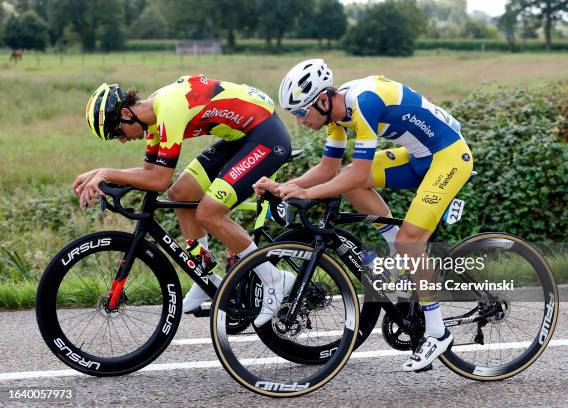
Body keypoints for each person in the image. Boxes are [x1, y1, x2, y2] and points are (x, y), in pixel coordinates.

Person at [255, 59, 473, 371]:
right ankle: (399, 251)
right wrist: (285, 186)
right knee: (350, 182)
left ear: (322, 100)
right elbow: (329, 169)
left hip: (448, 156)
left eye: (302, 112)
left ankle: (437, 333)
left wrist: (307, 193)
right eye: (295, 114)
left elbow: (358, 175)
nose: (300, 120)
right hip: (418, 156)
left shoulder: (363, 104)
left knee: (410, 240)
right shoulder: (336, 114)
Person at [74, 74, 295, 326]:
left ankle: (275, 279)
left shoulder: (169, 109)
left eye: (117, 133)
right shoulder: (153, 120)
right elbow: (150, 174)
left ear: (126, 113)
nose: (122, 139)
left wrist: (107, 172)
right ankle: (205, 276)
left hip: (265, 135)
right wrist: (99, 172)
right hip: (241, 137)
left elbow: (159, 179)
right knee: (181, 194)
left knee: (208, 214)